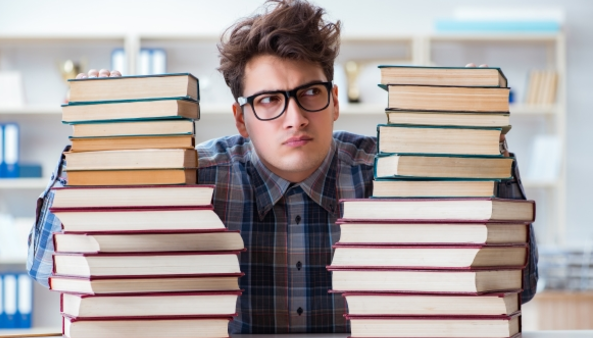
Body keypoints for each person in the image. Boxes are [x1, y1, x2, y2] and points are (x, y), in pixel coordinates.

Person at [27, 0, 538, 333]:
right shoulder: (193, 179)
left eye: (309, 94)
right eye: (270, 100)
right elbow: (46, 265)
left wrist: (476, 147)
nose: (295, 117)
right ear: (242, 118)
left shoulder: (393, 177)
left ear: (334, 101)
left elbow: (519, 282)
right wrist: (96, 152)